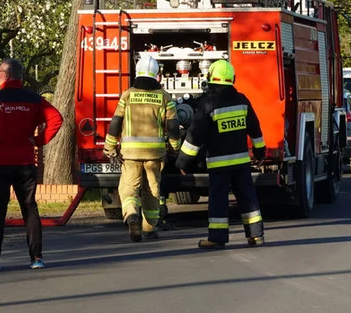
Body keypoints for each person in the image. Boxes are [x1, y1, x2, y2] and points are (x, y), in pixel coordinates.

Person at [0, 58, 63, 271]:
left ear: (6, 75)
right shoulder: (34, 100)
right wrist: (38, 140)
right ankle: (36, 258)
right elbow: (56, 118)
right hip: (25, 164)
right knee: (29, 208)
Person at [176, 60, 266, 249]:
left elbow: (195, 135)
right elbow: (255, 129)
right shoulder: (242, 101)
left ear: (210, 79)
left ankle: (217, 238)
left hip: (219, 164)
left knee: (218, 199)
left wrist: (183, 162)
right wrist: (259, 152)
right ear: (232, 79)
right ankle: (256, 235)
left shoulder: (208, 104)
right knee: (247, 197)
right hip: (241, 162)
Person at [103, 54, 180, 243]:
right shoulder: (165, 97)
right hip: (155, 155)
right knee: (152, 190)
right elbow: (173, 127)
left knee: (129, 188)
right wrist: (174, 148)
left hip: (130, 153)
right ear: (157, 74)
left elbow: (116, 123)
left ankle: (131, 215)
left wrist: (110, 147)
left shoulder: (127, 94)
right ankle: (150, 228)